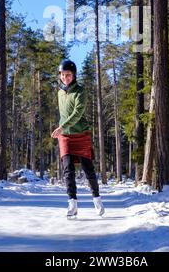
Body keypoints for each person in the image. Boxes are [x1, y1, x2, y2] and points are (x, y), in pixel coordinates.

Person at [51, 59, 105, 218]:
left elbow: (77, 113)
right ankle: (72, 203)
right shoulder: (60, 92)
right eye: (62, 75)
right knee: (68, 169)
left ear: (74, 75)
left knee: (88, 169)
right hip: (65, 136)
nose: (65, 78)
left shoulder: (81, 91)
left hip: (81, 134)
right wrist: (62, 130)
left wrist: (62, 127)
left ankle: (97, 199)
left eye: (68, 75)